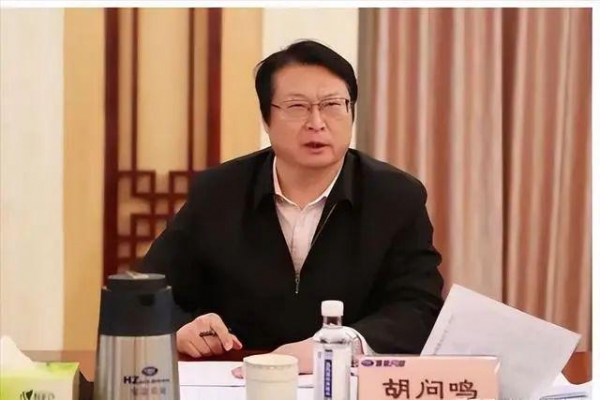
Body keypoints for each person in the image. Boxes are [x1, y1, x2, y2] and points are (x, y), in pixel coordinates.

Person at [139, 40, 444, 374]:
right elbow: (147, 291)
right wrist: (179, 328)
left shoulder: (396, 196)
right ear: (266, 118)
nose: (317, 122)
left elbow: (418, 306)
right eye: (297, 106)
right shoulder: (218, 193)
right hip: (239, 378)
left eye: (332, 104)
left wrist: (339, 345)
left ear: (351, 111)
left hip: (348, 380)